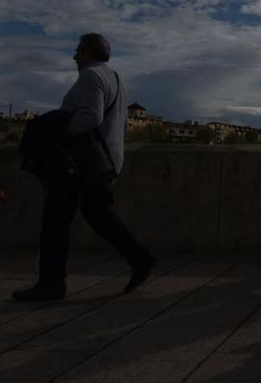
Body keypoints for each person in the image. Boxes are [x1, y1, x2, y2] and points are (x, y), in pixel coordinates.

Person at [12, 33, 156, 301]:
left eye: (78, 51)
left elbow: (90, 116)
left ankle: (51, 284)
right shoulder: (115, 77)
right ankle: (140, 258)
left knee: (56, 222)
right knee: (98, 214)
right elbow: (121, 123)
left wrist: (59, 132)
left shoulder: (90, 76)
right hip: (104, 161)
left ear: (89, 53)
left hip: (82, 163)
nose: (74, 56)